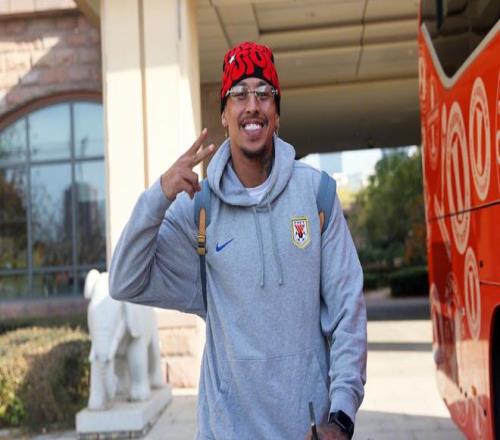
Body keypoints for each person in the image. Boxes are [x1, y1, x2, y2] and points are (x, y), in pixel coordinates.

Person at [109, 41, 367, 440]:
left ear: (277, 114)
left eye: (264, 94)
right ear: (225, 114)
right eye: (239, 94)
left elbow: (348, 312)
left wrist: (342, 416)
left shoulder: (318, 196)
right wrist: (159, 195)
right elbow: (124, 281)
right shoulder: (199, 209)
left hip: (308, 432)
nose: (252, 105)